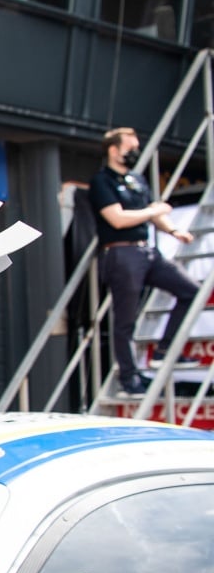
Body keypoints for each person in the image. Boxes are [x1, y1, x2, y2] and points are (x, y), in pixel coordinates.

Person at [87, 126, 200, 397]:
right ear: (113, 150)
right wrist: (152, 211)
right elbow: (117, 218)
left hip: (147, 251)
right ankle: (129, 380)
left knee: (190, 291)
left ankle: (165, 349)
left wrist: (174, 230)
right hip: (121, 254)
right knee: (126, 320)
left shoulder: (137, 179)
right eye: (130, 148)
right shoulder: (102, 181)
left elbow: (154, 214)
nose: (135, 153)